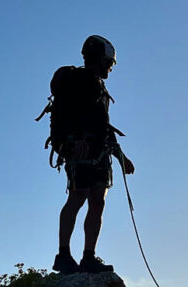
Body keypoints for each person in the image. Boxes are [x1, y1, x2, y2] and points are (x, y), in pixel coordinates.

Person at [47, 35, 135, 274]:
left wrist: (120, 156)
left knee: (96, 201)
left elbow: (103, 125)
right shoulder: (83, 84)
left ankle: (86, 257)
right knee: (80, 198)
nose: (110, 67)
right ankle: (65, 255)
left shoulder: (96, 86)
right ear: (100, 59)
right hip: (82, 152)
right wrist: (72, 142)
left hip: (96, 151)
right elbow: (73, 119)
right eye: (109, 62)